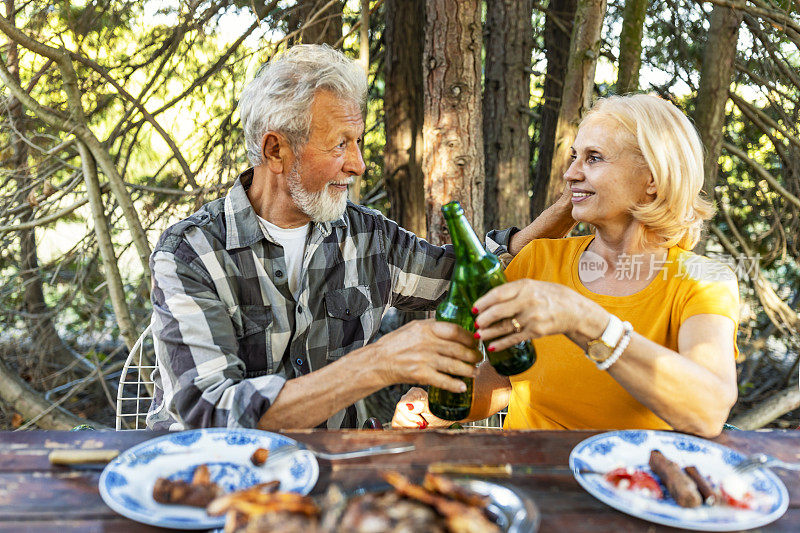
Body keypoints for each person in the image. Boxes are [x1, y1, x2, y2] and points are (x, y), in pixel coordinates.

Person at [146, 44, 573, 431]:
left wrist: (572, 206)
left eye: (359, 142)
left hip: (337, 481)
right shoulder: (190, 254)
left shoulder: (368, 236)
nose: (358, 165)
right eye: (340, 145)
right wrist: (379, 363)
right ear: (275, 150)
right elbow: (211, 413)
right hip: (217, 484)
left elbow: (478, 273)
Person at [392, 94, 739, 438]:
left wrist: (587, 322)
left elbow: (707, 411)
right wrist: (443, 407)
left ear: (652, 178)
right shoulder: (538, 259)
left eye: (594, 158)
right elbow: (506, 378)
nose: (571, 173)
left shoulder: (702, 282)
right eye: (574, 157)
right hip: (529, 477)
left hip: (631, 484)